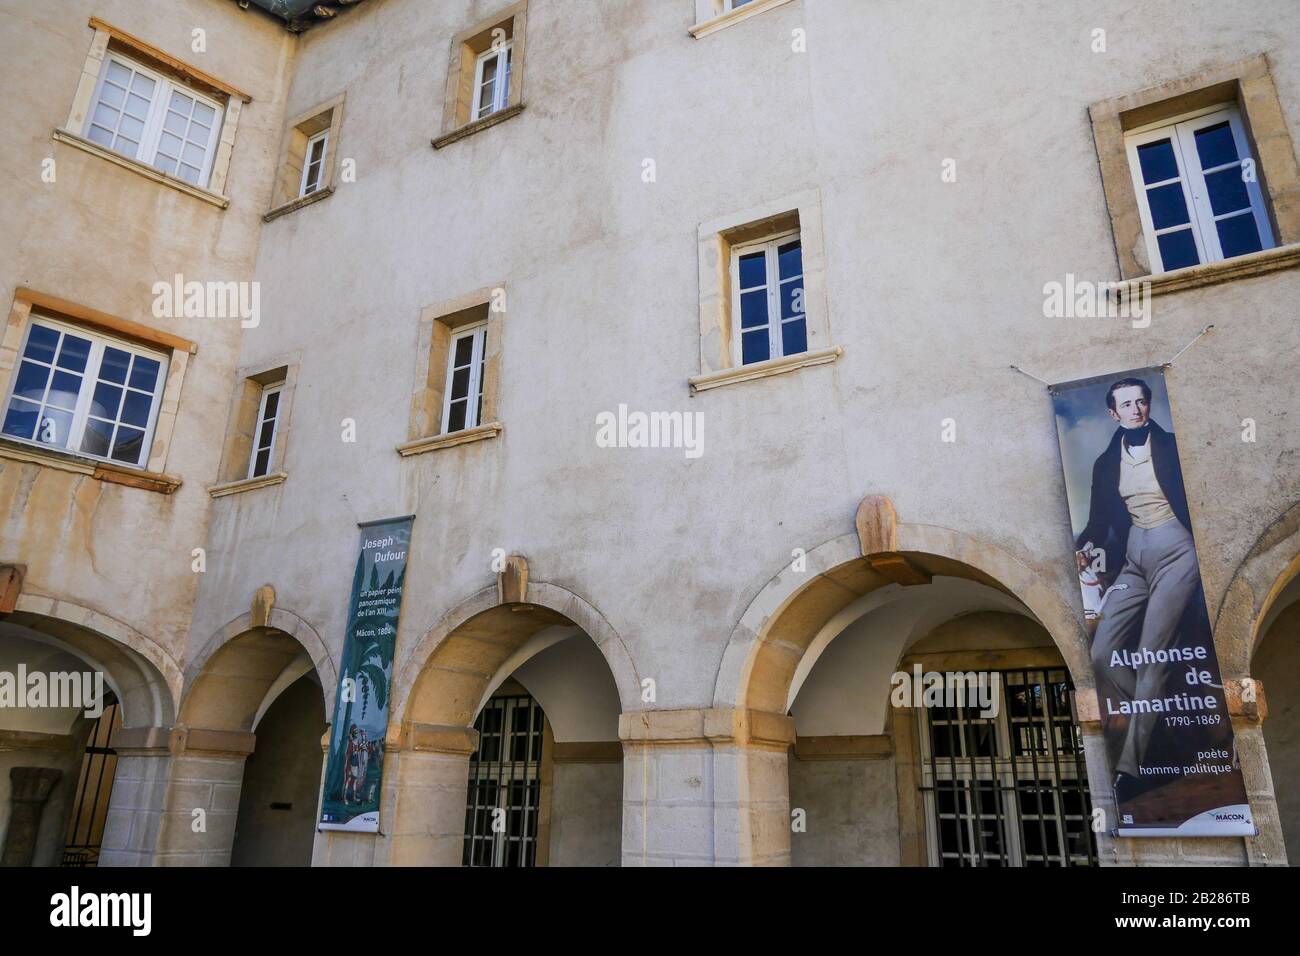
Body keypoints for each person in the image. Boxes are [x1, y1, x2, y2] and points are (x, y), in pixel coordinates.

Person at [1074, 378, 1202, 803]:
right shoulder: (1105, 463)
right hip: (1134, 554)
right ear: (1113, 413)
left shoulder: (1169, 447)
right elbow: (1097, 523)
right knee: (1102, 652)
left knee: (1151, 652)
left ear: (1149, 406)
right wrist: (1082, 548)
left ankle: (1130, 771)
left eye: (1142, 401)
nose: (1136, 409)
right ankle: (1157, 715)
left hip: (1176, 548)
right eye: (1126, 404)